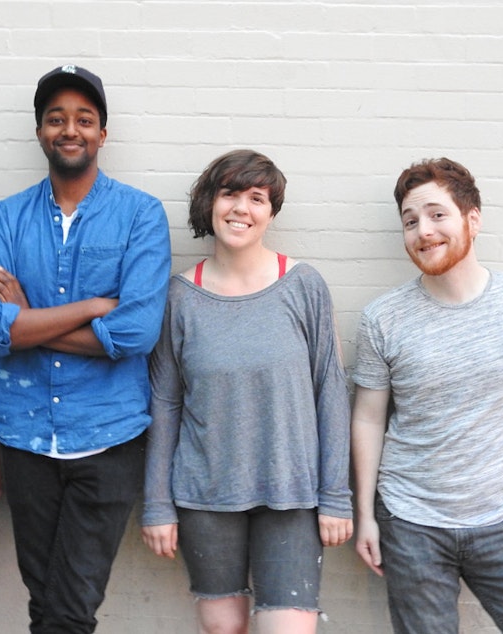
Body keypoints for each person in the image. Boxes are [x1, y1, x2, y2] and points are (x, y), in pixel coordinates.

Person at [0, 64, 171, 634]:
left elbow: (134, 334)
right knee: (47, 604)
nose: (70, 129)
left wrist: (27, 318)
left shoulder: (140, 216)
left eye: (84, 119)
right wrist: (89, 307)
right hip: (24, 437)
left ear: (103, 133)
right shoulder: (6, 219)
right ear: (40, 132)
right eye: (56, 119)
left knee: (68, 610)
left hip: (107, 438)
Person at [351, 157, 503, 633]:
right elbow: (368, 418)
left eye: (436, 215)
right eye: (410, 222)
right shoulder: (382, 319)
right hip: (410, 522)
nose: (422, 231)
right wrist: (366, 514)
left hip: (501, 518)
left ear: (473, 219)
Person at [141, 149, 353, 634]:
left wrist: (335, 495)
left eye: (257, 198)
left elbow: (331, 392)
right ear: (209, 204)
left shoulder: (303, 286)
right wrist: (156, 503)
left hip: (292, 495)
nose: (242, 208)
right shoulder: (179, 296)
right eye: (230, 194)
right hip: (205, 496)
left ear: (271, 212)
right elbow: (166, 402)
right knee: (222, 628)